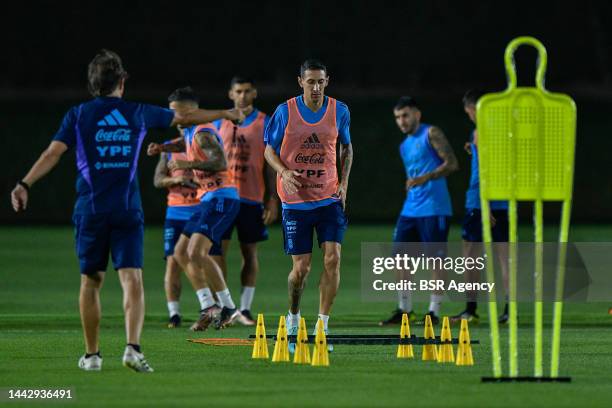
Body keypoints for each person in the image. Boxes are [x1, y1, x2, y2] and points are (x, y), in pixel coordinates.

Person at [10, 49, 243, 372]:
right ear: (122, 81)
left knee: (90, 281)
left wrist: (24, 183)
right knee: (132, 279)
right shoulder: (136, 112)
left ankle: (92, 356)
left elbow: (53, 153)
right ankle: (132, 349)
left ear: (93, 84)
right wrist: (227, 114)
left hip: (90, 210)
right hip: (127, 210)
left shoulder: (78, 115)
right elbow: (185, 118)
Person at [264, 59, 353, 352]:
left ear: (327, 81)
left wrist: (344, 183)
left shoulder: (339, 110)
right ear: (300, 82)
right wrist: (284, 171)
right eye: (310, 81)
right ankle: (293, 317)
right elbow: (268, 151)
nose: (315, 87)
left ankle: (322, 325)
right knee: (300, 270)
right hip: (296, 201)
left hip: (328, 198)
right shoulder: (284, 111)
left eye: (320, 81)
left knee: (333, 259)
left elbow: (347, 147)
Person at [148, 112, 247, 331]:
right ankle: (208, 305)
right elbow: (179, 144)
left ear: (188, 111)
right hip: (202, 202)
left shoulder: (202, 131)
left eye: (177, 110)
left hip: (220, 197)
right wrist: (162, 149)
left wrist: (188, 162)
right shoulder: (189, 133)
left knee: (198, 253)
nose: (174, 117)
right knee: (181, 253)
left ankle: (228, 307)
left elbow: (220, 161)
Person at [379, 96, 458, 326]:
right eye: (397, 117)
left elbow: (452, 163)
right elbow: (413, 175)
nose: (401, 121)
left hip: (434, 208)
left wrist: (426, 177)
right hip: (411, 209)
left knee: (436, 261)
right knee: (400, 260)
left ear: (417, 114)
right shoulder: (404, 145)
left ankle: (433, 312)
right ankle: (405, 310)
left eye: (405, 115)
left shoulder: (431, 133)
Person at [210, 76, 278, 325]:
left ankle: (245, 309)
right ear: (231, 94)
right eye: (238, 91)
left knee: (249, 253)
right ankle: (224, 306)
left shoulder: (265, 122)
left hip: (251, 198)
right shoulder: (219, 123)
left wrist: (273, 199)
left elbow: (270, 165)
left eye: (247, 91)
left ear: (255, 93)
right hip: (223, 198)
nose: (242, 95)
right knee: (217, 253)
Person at [451, 89, 510, 324]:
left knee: (471, 258)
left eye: (469, 112)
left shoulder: (480, 131)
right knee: (506, 260)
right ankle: (509, 313)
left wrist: (485, 206)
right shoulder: (502, 131)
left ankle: (471, 310)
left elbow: (486, 172)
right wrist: (472, 149)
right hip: (504, 201)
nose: (470, 116)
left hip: (480, 202)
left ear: (475, 108)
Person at [153, 88, 202, 328]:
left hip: (200, 209)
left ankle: (214, 307)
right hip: (176, 211)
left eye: (179, 112)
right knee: (173, 261)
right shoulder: (169, 146)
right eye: (172, 113)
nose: (176, 119)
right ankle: (174, 313)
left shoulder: (206, 139)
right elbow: (157, 179)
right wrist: (177, 180)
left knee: (205, 259)